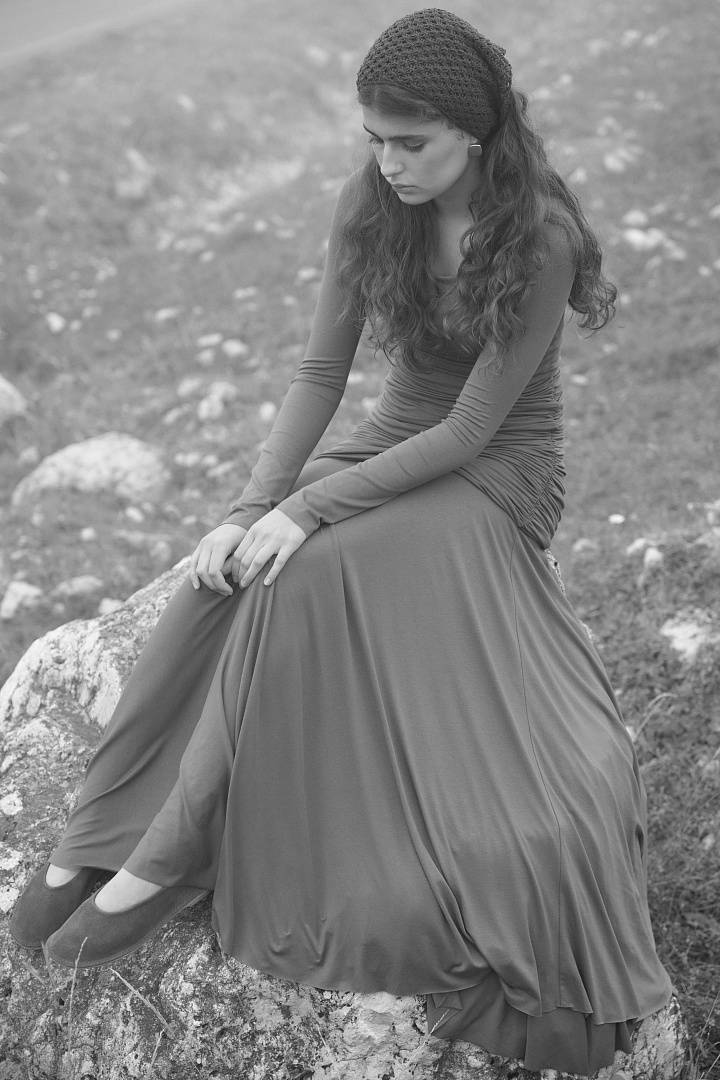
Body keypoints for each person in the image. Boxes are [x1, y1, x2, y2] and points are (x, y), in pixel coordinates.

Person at [10, 9, 673, 1075]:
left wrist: (308, 512)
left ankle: (167, 858)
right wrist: (250, 507)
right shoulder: (371, 202)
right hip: (393, 440)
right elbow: (321, 374)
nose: (388, 162)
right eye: (374, 139)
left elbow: (473, 427)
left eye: (411, 142)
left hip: (494, 472)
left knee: (304, 568)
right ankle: (101, 833)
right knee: (226, 576)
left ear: (475, 133)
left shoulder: (538, 232)